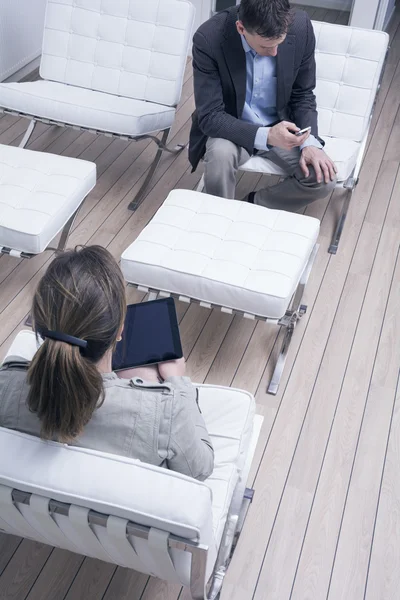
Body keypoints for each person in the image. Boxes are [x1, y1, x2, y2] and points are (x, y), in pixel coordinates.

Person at [0, 246, 214, 481]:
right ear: (120, 330)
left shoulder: (5, 385)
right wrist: (177, 382)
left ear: (39, 324)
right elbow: (200, 469)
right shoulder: (166, 412)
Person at [189, 0, 338, 211]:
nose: (275, 53)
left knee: (323, 179)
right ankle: (219, 217)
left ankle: (249, 207)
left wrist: (310, 143)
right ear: (241, 28)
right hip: (232, 128)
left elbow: (303, 94)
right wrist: (266, 136)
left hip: (284, 127)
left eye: (279, 43)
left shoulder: (301, 26)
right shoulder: (209, 38)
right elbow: (210, 116)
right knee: (220, 155)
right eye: (266, 46)